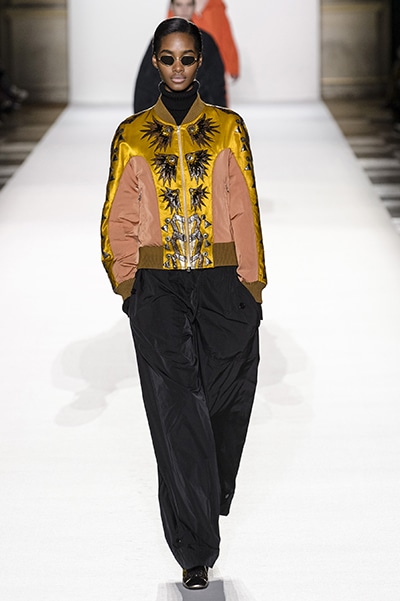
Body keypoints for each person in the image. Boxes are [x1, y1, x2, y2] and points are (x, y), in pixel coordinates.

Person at [101, 17, 266, 590]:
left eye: (187, 59)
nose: (177, 68)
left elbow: (244, 205)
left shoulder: (227, 129)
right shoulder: (132, 135)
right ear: (155, 62)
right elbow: (118, 214)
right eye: (168, 59)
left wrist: (252, 283)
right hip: (159, 287)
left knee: (226, 399)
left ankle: (208, 492)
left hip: (222, 281)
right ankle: (194, 549)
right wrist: (128, 284)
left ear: (200, 62)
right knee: (176, 412)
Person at [134, 0, 226, 112]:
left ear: (194, 7)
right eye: (179, 5)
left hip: (200, 114)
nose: (184, 10)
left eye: (188, 5)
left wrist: (218, 115)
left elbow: (216, 84)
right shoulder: (159, 41)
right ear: (171, 7)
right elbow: (145, 84)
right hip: (164, 113)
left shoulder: (207, 42)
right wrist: (143, 117)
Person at [167, 0, 240, 79]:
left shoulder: (215, 6)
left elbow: (225, 39)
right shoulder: (178, 5)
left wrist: (232, 69)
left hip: (214, 71)